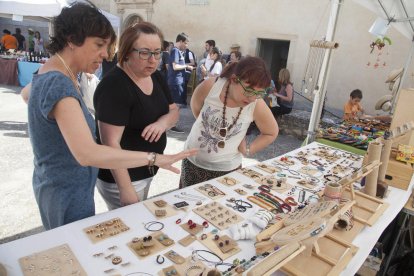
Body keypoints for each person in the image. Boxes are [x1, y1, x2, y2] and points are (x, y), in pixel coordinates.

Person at [27, 2, 196, 230]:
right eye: (99, 45)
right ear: (71, 39)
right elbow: (88, 153)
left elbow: (27, 93)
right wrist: (154, 158)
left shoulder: (53, 73)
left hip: (62, 185)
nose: (105, 54)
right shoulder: (58, 82)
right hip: (67, 190)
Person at [93, 22, 180, 210]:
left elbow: (174, 111)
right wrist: (125, 188)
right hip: (123, 177)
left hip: (147, 170)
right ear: (126, 52)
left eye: (157, 52)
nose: (153, 60)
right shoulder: (114, 86)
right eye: (145, 52)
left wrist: (162, 123)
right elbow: (110, 144)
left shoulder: (155, 77)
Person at [180, 56, 279, 187]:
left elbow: (271, 132)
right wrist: (209, 126)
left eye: (259, 93)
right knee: (188, 204)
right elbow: (197, 109)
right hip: (192, 162)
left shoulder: (256, 104)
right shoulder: (211, 86)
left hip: (226, 171)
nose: (252, 97)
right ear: (233, 80)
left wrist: (248, 149)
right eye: (249, 90)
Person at [167, 32, 194, 133]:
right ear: (181, 41)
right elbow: (175, 66)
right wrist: (187, 66)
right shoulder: (175, 50)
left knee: (176, 105)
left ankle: (171, 124)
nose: (187, 46)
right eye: (186, 43)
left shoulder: (178, 51)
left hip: (178, 81)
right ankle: (172, 125)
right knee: (176, 105)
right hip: (175, 82)